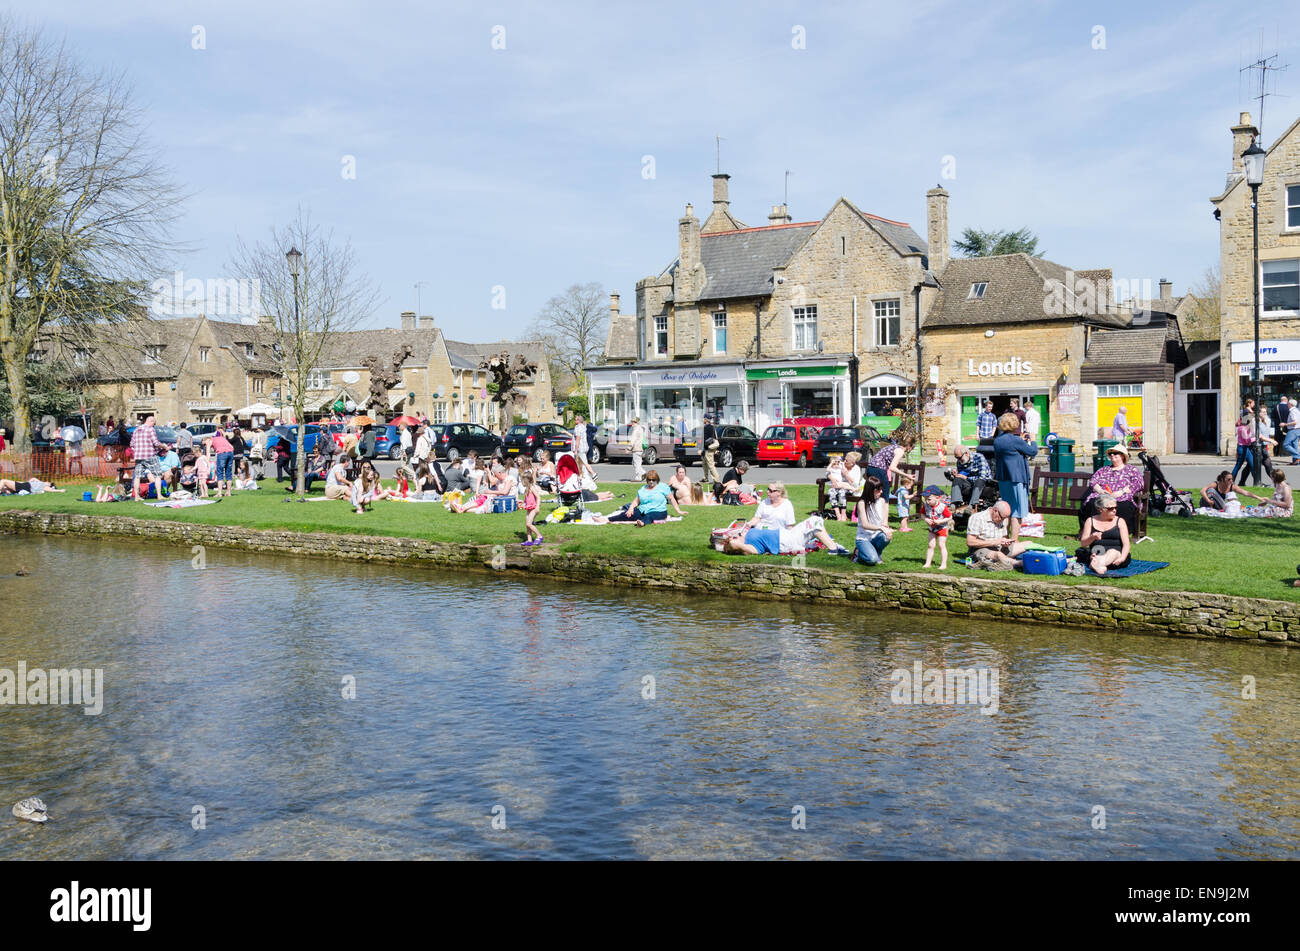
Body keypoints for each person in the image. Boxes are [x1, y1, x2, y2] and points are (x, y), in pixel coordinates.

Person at [1078, 444, 1144, 535]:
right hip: (1102, 496)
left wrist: (1122, 491)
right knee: (1092, 504)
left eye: (1115, 453)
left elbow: (1139, 483)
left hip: (1122, 497)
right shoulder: (1104, 469)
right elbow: (1093, 481)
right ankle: (1093, 531)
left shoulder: (1131, 470)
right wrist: (1100, 490)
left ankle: (1119, 533)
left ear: (1122, 456)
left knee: (1123, 506)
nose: (1112, 455)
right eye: (1111, 454)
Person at [993, 412, 1036, 543]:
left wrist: (1022, 441)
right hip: (1017, 478)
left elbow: (1012, 450)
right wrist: (1033, 440)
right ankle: (1014, 539)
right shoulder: (1016, 440)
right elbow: (1032, 451)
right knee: (1017, 510)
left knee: (1006, 509)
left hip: (1003, 478)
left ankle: (1004, 537)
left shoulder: (997, 441)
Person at [722, 514, 850, 557]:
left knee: (816, 521)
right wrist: (733, 544)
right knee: (814, 521)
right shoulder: (748, 546)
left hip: (788, 535)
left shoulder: (748, 535)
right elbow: (752, 551)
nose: (735, 536)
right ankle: (833, 549)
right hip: (786, 542)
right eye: (734, 537)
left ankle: (833, 546)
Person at [1078, 492, 1131, 575]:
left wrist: (1122, 558)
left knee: (1112, 552)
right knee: (1096, 556)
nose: (1114, 510)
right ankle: (1100, 566)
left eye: (1115, 508)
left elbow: (1126, 544)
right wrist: (1092, 537)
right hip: (1097, 553)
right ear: (1100, 509)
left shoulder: (1120, 521)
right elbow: (1083, 543)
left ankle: (1097, 564)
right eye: (1110, 508)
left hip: (1117, 556)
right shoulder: (1090, 521)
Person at [965, 500, 1027, 569]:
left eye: (1005, 518)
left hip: (999, 547)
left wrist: (1005, 543)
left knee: (1028, 544)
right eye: (1002, 517)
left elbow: (1003, 538)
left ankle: (1035, 559)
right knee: (998, 554)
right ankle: (1019, 563)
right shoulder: (977, 518)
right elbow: (970, 542)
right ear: (995, 510)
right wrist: (994, 542)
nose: (1003, 520)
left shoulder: (1003, 518)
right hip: (981, 549)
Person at [850, 475, 892, 565]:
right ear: (871, 490)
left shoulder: (881, 501)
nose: (881, 492)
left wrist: (887, 528)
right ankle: (858, 553)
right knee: (871, 560)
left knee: (885, 537)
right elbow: (865, 524)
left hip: (876, 536)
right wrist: (881, 528)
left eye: (881, 489)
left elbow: (884, 521)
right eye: (878, 490)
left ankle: (877, 553)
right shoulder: (862, 503)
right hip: (864, 538)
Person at [947, 443, 992, 512]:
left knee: (979, 481)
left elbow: (983, 476)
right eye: (956, 458)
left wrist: (966, 478)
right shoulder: (960, 461)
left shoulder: (979, 457)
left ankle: (972, 505)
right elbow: (961, 476)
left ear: (966, 453)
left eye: (959, 458)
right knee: (957, 479)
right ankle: (955, 503)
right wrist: (955, 474)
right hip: (969, 483)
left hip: (983, 483)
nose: (958, 460)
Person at [129, 415, 165, 501]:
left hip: (138, 456)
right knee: (157, 475)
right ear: (151, 421)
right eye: (154, 423)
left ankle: (137, 497)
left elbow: (132, 444)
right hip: (149, 455)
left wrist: (137, 451)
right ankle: (159, 495)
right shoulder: (150, 429)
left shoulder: (136, 430)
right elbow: (156, 443)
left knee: (137, 476)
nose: (154, 425)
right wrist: (164, 446)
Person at [1231, 413, 1257, 485]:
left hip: (1246, 448)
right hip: (1242, 448)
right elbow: (1246, 439)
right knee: (1238, 465)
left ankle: (1257, 481)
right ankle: (1231, 481)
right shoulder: (1242, 428)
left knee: (1252, 464)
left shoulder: (1245, 427)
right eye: (1251, 420)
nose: (1252, 422)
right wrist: (1255, 438)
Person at [210, 427, 235, 498]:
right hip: (230, 452)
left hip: (222, 453)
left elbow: (208, 452)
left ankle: (219, 493)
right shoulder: (223, 438)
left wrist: (207, 460)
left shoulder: (212, 439)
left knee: (220, 472)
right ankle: (228, 492)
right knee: (228, 472)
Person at [520, 470, 544, 546]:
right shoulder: (526, 489)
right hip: (528, 508)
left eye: (522, 481)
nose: (521, 482)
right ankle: (529, 540)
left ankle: (539, 536)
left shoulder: (532, 488)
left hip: (533, 508)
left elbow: (538, 497)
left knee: (529, 524)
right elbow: (526, 499)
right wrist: (523, 504)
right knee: (527, 525)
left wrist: (537, 507)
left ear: (526, 481)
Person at [825, 456, 851, 522]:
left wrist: (842, 465)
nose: (836, 465)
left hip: (841, 487)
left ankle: (843, 514)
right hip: (833, 487)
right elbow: (827, 470)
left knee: (842, 494)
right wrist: (831, 464)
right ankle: (838, 514)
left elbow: (845, 471)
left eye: (837, 463)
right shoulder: (831, 470)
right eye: (834, 464)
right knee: (831, 494)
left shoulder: (841, 469)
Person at [701, 415, 721, 484]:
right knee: (704, 463)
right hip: (709, 448)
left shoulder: (707, 428)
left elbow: (706, 440)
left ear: (706, 419)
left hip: (708, 449)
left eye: (703, 419)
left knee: (710, 465)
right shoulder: (712, 427)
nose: (703, 420)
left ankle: (717, 480)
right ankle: (705, 478)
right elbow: (715, 438)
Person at [628, 416, 647, 481]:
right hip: (640, 448)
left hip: (636, 448)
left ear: (636, 422)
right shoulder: (640, 428)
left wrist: (628, 448)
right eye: (632, 422)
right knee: (634, 463)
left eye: (633, 422)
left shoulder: (636, 429)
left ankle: (638, 477)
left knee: (636, 464)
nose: (632, 423)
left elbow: (633, 440)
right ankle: (643, 472)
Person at [0, 477, 65, 495]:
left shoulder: (44, 486)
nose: (47, 482)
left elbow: (51, 490)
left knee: (3, 481)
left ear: (50, 485)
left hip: (24, 486)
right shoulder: (40, 483)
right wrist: (41, 482)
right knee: (5, 489)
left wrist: (59, 490)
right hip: (23, 485)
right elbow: (33, 479)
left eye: (49, 483)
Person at [1284, 399, 1300, 464]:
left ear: (1290, 404)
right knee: (1294, 445)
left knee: (1286, 445)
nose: (1287, 404)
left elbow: (1295, 422)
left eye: (1288, 403)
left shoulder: (1293, 411)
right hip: (1297, 430)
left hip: (1293, 430)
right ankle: (1295, 461)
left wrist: (1285, 424)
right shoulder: (1296, 410)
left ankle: (1298, 456)